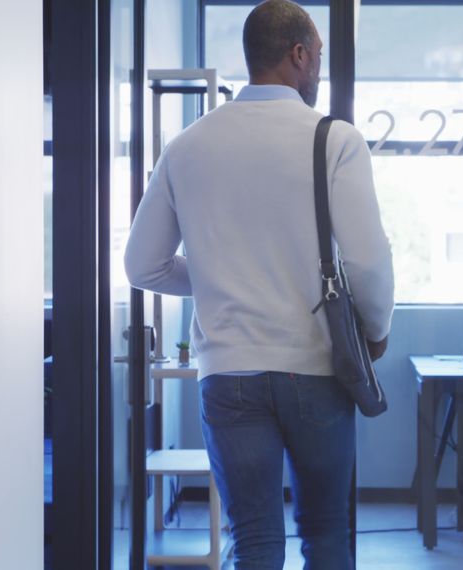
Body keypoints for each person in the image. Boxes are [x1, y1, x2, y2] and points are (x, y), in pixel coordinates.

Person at [124, 1, 394, 567]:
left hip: (229, 375)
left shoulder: (187, 146)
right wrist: (377, 333)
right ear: (298, 55)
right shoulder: (335, 140)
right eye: (317, 56)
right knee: (325, 534)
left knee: (254, 541)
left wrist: (218, 278)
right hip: (317, 369)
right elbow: (369, 261)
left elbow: (141, 266)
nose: (318, 69)